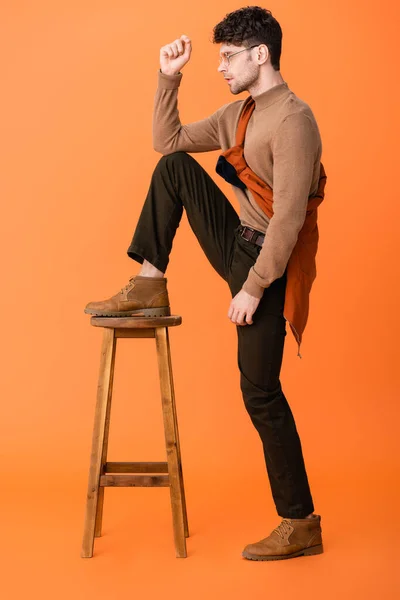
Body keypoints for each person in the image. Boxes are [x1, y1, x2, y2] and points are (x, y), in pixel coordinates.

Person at [84, 6, 324, 561]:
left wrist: (254, 288)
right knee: (174, 170)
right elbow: (166, 142)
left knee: (260, 393)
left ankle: (300, 522)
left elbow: (288, 219)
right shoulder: (238, 115)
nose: (221, 66)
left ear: (260, 55)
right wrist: (169, 76)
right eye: (219, 58)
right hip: (235, 240)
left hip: (269, 262)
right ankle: (149, 282)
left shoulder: (294, 121)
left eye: (229, 56)